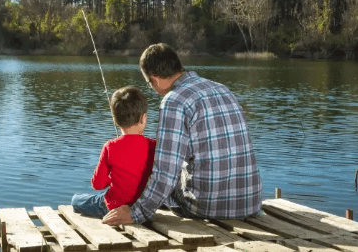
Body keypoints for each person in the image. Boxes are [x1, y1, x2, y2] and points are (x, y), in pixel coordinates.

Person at [102, 43, 262, 225]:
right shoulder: (223, 89)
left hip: (207, 207)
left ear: (155, 79)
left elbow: (166, 172)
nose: (152, 88)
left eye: (149, 84)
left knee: (155, 174)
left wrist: (136, 213)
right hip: (250, 203)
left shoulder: (174, 101)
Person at [71, 86, 156, 218]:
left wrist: (111, 178)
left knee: (76, 200)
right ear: (143, 118)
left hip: (112, 208)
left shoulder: (110, 146)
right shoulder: (154, 146)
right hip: (142, 208)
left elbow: (97, 184)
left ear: (115, 120)